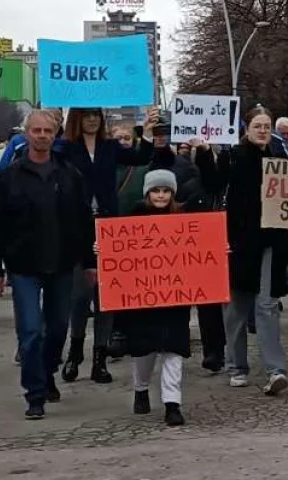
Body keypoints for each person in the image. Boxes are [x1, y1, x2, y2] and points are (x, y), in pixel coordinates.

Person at [0, 110, 96, 419]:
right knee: (31, 330)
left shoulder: (69, 174)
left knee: (58, 327)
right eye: (36, 130)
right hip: (23, 266)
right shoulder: (9, 177)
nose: (42, 135)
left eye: (48, 131)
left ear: (56, 134)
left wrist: (89, 262)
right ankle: (35, 394)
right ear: (26, 133)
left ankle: (48, 371)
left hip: (63, 263)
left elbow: (83, 222)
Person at [61, 108, 156, 386]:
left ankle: (100, 357)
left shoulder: (110, 147)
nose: (92, 120)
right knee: (80, 295)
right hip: (78, 227)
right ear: (77, 119)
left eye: (97, 115)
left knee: (106, 296)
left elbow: (141, 157)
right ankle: (75, 351)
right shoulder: (66, 149)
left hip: (108, 226)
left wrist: (147, 131)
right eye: (88, 115)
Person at [219, 107, 288, 395]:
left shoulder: (278, 159)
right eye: (258, 125)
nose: (263, 130)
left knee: (267, 306)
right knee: (237, 308)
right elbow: (214, 183)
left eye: (267, 125)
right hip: (238, 244)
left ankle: (276, 370)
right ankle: (237, 366)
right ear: (246, 129)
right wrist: (203, 154)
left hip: (271, 243)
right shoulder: (233, 157)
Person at [115, 169, 196, 426]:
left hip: (175, 295)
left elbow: (199, 246)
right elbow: (118, 248)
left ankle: (173, 403)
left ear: (172, 193)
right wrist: (103, 249)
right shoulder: (132, 218)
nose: (161, 195)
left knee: (174, 348)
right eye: (156, 190)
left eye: (165, 191)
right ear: (147, 193)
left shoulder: (184, 219)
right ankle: (141, 388)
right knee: (145, 348)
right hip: (144, 296)